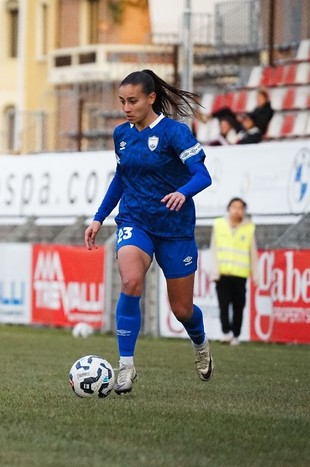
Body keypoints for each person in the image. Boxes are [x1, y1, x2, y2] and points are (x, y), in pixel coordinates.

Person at [84, 69, 214, 395]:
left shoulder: (174, 133)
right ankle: (125, 366)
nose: (126, 107)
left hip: (175, 229)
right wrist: (99, 217)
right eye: (122, 101)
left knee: (182, 310)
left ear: (151, 98)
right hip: (135, 221)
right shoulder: (122, 135)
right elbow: (121, 178)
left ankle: (200, 343)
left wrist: (183, 192)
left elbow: (203, 175)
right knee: (130, 280)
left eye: (132, 101)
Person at [210, 197, 258, 346]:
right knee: (223, 305)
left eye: (240, 207)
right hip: (223, 274)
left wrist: (255, 275)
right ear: (228, 208)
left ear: (244, 210)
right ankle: (226, 332)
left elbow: (253, 252)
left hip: (240, 275)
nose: (237, 210)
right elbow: (213, 249)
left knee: (239, 306)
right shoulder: (218, 225)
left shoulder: (249, 228)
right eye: (234, 207)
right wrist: (214, 271)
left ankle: (236, 335)